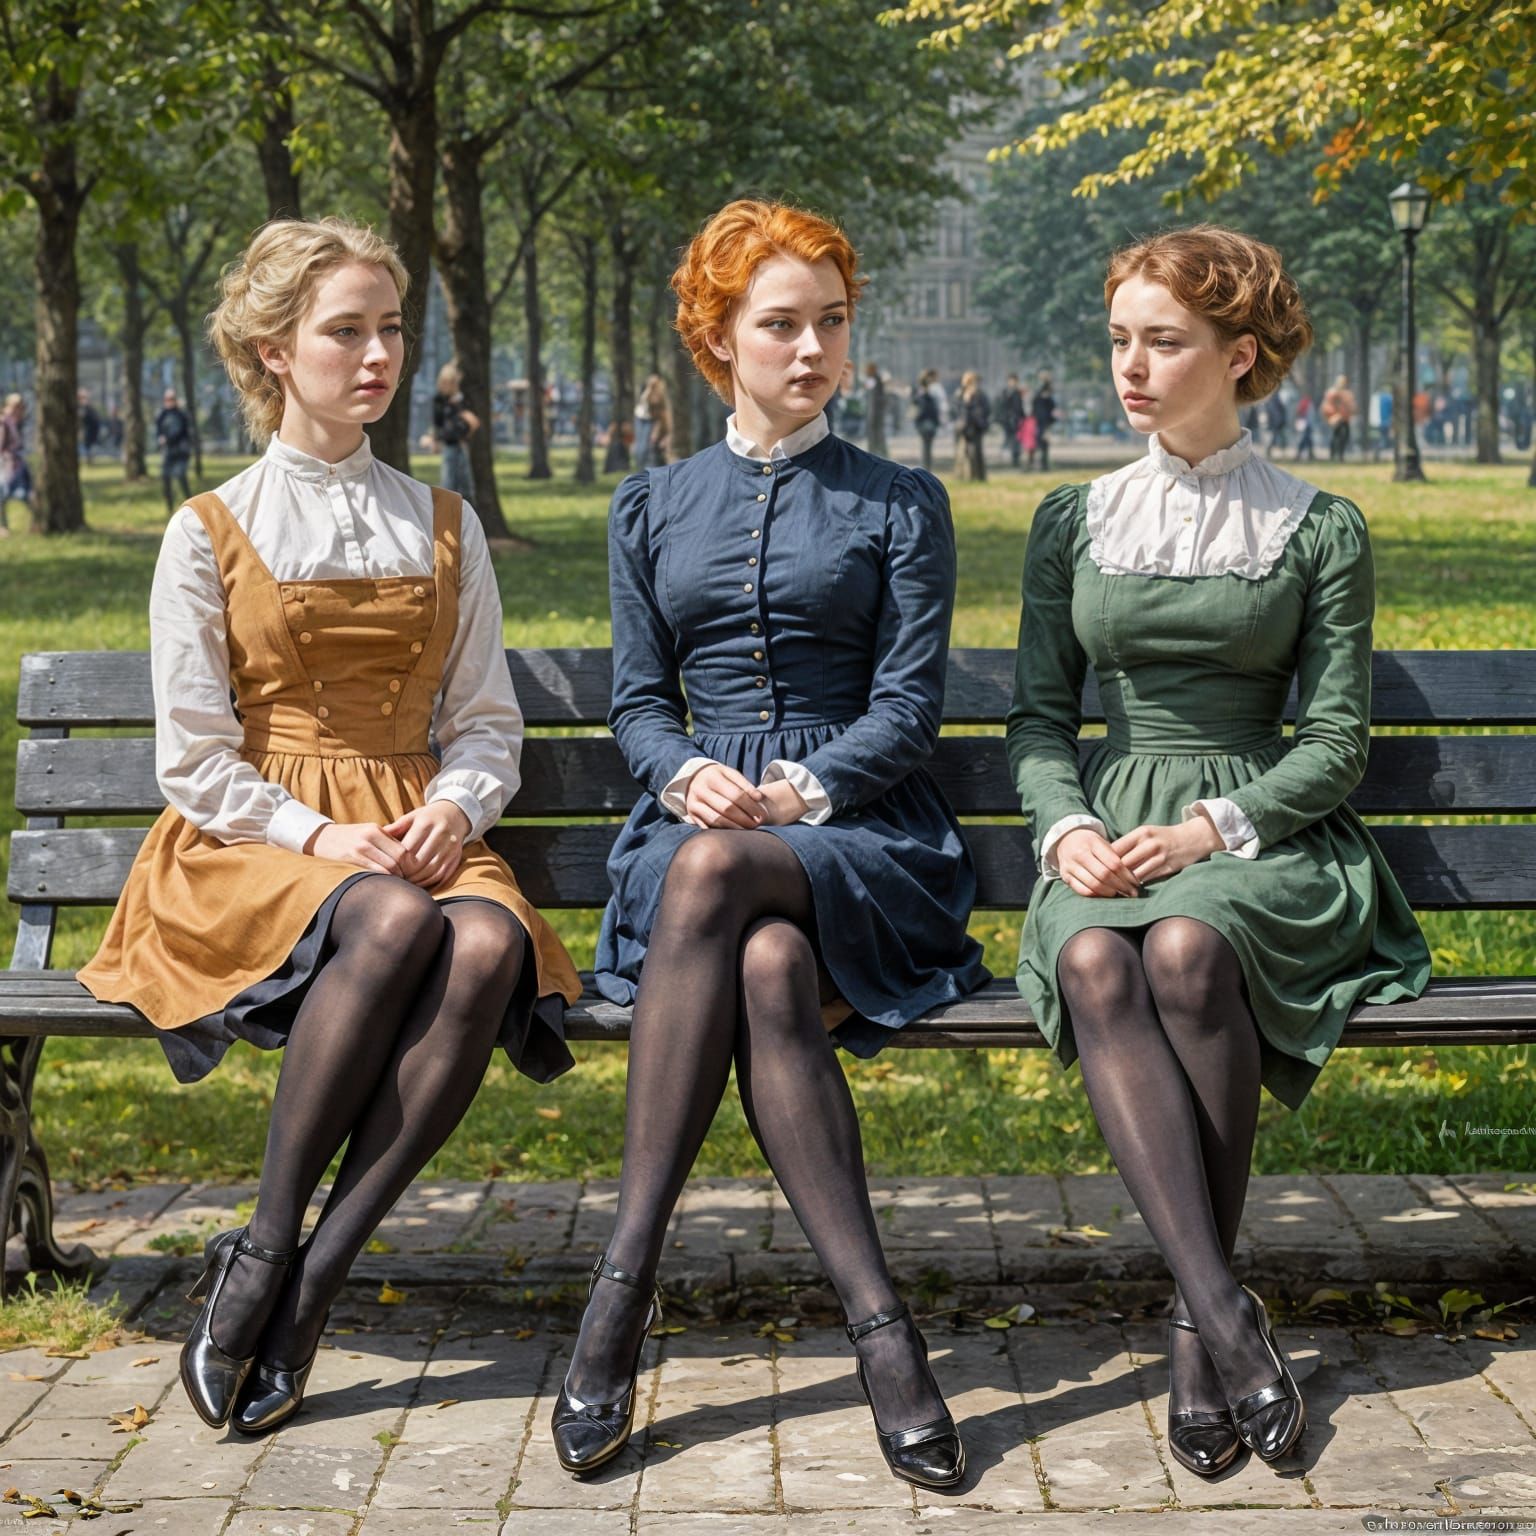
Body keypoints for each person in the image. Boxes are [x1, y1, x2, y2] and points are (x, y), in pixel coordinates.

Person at [78, 217, 581, 1437]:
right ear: (270, 352)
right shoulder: (209, 528)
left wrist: (452, 806)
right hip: (258, 842)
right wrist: (322, 836)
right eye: (343, 331)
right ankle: (262, 1243)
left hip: (416, 822)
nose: (376, 356)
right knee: (406, 916)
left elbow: (484, 725)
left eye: (390, 329)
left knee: (485, 943)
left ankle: (306, 1282)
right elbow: (193, 757)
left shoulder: (443, 525)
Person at [555, 198, 986, 1489]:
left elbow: (909, 708)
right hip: (696, 826)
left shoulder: (900, 501)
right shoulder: (650, 506)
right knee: (760, 969)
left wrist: (802, 789)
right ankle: (883, 1333)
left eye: (832, 324)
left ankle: (617, 1293)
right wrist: (682, 770)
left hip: (858, 835)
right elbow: (639, 702)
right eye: (781, 325)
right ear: (717, 336)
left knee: (718, 872)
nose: (812, 350)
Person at [1007, 224, 1429, 1480]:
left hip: (1257, 825)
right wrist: (1069, 828)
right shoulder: (1074, 518)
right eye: (1122, 340)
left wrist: (1209, 829)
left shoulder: (1317, 527)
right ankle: (1225, 1315)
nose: (1131, 368)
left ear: (1240, 354)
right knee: (1098, 963)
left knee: (1189, 951)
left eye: (1166, 343)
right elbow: (1038, 720)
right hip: (1110, 823)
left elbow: (1339, 737)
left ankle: (1201, 1334)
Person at [432, 360, 479, 501]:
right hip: (449, 444)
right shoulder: (440, 400)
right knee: (448, 483)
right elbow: (438, 422)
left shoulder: (462, 399)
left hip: (462, 443)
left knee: (466, 484)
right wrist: (436, 439)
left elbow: (472, 421)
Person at [156, 387, 195, 512]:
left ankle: (191, 507)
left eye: (172, 399)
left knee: (181, 476)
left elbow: (183, 432)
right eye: (167, 399)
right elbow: (158, 432)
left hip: (181, 452)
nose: (169, 401)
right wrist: (160, 439)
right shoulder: (162, 415)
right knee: (165, 477)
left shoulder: (182, 415)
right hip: (168, 453)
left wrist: (167, 438)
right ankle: (169, 508)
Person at [0, 394, 30, 536]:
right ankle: (3, 526)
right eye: (16, 407)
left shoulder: (16, 422)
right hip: (6, 465)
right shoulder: (4, 422)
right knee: (3, 495)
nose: (19, 411)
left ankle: (37, 523)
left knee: (26, 494)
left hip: (17, 464)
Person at [634, 373, 671, 468]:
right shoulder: (647, 392)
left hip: (651, 422)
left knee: (647, 449)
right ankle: (641, 467)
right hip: (642, 419)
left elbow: (661, 416)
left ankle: (646, 469)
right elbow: (644, 400)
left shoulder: (659, 396)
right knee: (641, 448)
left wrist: (657, 431)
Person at [959, 370, 990, 482]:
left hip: (976, 427)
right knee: (965, 453)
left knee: (976, 452)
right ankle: (967, 476)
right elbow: (958, 409)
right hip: (965, 427)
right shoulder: (961, 394)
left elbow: (985, 410)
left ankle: (979, 476)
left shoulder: (980, 395)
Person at [912, 367, 943, 471]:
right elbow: (929, 409)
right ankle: (926, 468)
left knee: (926, 447)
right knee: (926, 447)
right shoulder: (927, 394)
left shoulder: (919, 393)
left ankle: (926, 467)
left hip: (924, 422)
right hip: (927, 422)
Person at [1321, 373, 1354, 461]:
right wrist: (1331, 415)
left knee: (1345, 437)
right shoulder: (1332, 393)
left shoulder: (1347, 393)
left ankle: (1340, 455)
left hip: (1345, 419)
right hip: (1335, 419)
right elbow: (1327, 406)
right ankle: (1333, 455)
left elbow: (1351, 406)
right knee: (1336, 437)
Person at [1029, 371, 1057, 472]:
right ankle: (1042, 464)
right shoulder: (1043, 391)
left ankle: (1042, 464)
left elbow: (1049, 405)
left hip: (1043, 421)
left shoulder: (1045, 391)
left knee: (1042, 442)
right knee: (1041, 443)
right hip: (1042, 420)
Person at [999, 373, 1024, 467]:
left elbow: (1020, 407)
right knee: (1007, 439)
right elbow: (1002, 406)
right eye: (1011, 381)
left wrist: (1022, 417)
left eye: (1015, 381)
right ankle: (1005, 458)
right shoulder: (1005, 392)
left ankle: (1015, 459)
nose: (1013, 383)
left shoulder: (1018, 392)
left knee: (1016, 440)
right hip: (1007, 420)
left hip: (1016, 420)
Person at [864, 361, 888, 457]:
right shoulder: (877, 379)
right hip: (877, 412)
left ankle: (875, 453)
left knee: (875, 435)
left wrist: (871, 414)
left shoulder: (872, 380)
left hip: (874, 413)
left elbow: (872, 398)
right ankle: (881, 453)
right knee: (879, 434)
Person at [78, 388, 103, 464]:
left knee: (89, 444)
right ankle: (89, 459)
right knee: (88, 444)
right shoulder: (83, 407)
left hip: (92, 428)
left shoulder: (88, 407)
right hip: (88, 428)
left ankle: (90, 459)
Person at [1294, 393, 1315, 460]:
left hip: (1306, 424)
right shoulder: (1306, 402)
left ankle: (1310, 454)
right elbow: (1302, 413)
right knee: (1304, 439)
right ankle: (1302, 454)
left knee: (1308, 440)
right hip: (1305, 424)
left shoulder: (1305, 402)